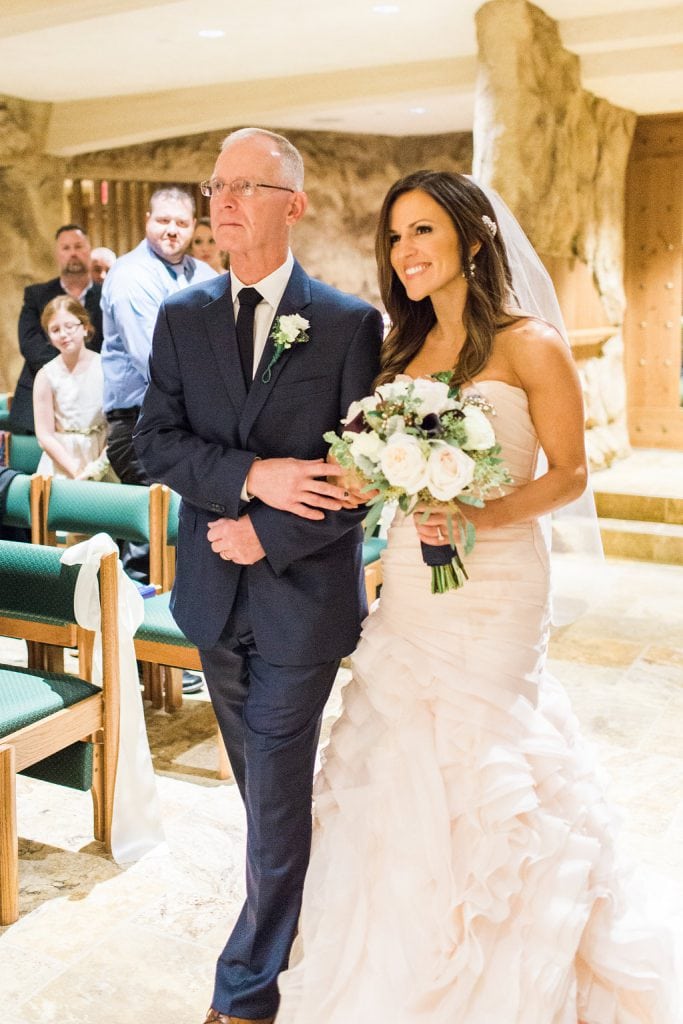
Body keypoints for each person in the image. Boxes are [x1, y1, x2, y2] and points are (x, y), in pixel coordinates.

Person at [275, 171, 679, 1023]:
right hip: (415, 578)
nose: (404, 252)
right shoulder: (398, 351)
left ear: (473, 238)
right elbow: (367, 466)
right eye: (393, 237)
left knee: (488, 753)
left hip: (495, 582)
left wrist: (474, 510)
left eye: (421, 232)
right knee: (397, 756)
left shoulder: (529, 343)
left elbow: (568, 474)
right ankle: (404, 968)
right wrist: (365, 482)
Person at [133, 127, 383, 1024]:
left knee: (273, 797)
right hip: (210, 600)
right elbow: (151, 440)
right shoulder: (183, 316)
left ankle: (244, 994)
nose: (225, 200)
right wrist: (251, 477)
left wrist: (266, 531)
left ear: (295, 203)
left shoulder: (351, 324)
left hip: (300, 602)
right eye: (217, 185)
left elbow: (365, 482)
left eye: (249, 184)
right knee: (267, 803)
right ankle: (311, 921)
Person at [100, 186, 216, 612]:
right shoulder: (132, 276)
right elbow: (156, 363)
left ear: (193, 227)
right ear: (147, 219)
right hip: (139, 424)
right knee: (153, 543)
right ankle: (140, 653)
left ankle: (171, 646)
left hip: (188, 422)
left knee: (180, 538)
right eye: (163, 220)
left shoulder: (202, 274)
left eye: (181, 223)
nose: (172, 230)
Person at [9, 224, 103, 435]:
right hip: (40, 392)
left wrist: (88, 372)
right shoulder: (36, 295)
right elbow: (30, 342)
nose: (73, 253)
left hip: (97, 393)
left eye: (78, 246)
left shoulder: (108, 295)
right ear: (58, 254)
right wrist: (69, 369)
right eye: (66, 248)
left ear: (89, 249)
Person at [33, 295, 114, 481]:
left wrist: (98, 467)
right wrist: (76, 471)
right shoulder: (46, 375)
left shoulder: (106, 367)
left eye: (69, 326)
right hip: (61, 462)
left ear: (85, 328)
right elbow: (45, 435)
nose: (63, 334)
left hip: (102, 457)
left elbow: (117, 425)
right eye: (55, 330)